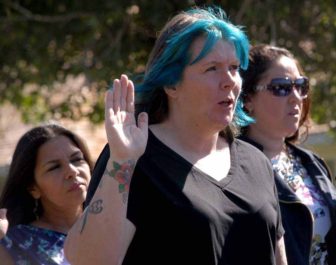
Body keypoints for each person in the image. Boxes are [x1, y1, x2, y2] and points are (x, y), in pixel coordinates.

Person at [65, 6, 287, 265]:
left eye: (235, 68)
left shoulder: (256, 161)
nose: (229, 81)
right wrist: (122, 160)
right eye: (212, 68)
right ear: (171, 83)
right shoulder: (135, 157)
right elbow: (88, 260)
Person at [238, 44, 336, 265]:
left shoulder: (311, 162)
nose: (296, 98)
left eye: (301, 86)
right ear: (248, 99)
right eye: (281, 87)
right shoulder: (233, 166)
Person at [0, 124, 93, 264]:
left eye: (77, 159)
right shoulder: (17, 243)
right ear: (33, 188)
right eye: (54, 167)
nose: (72, 171)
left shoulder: (116, 223)